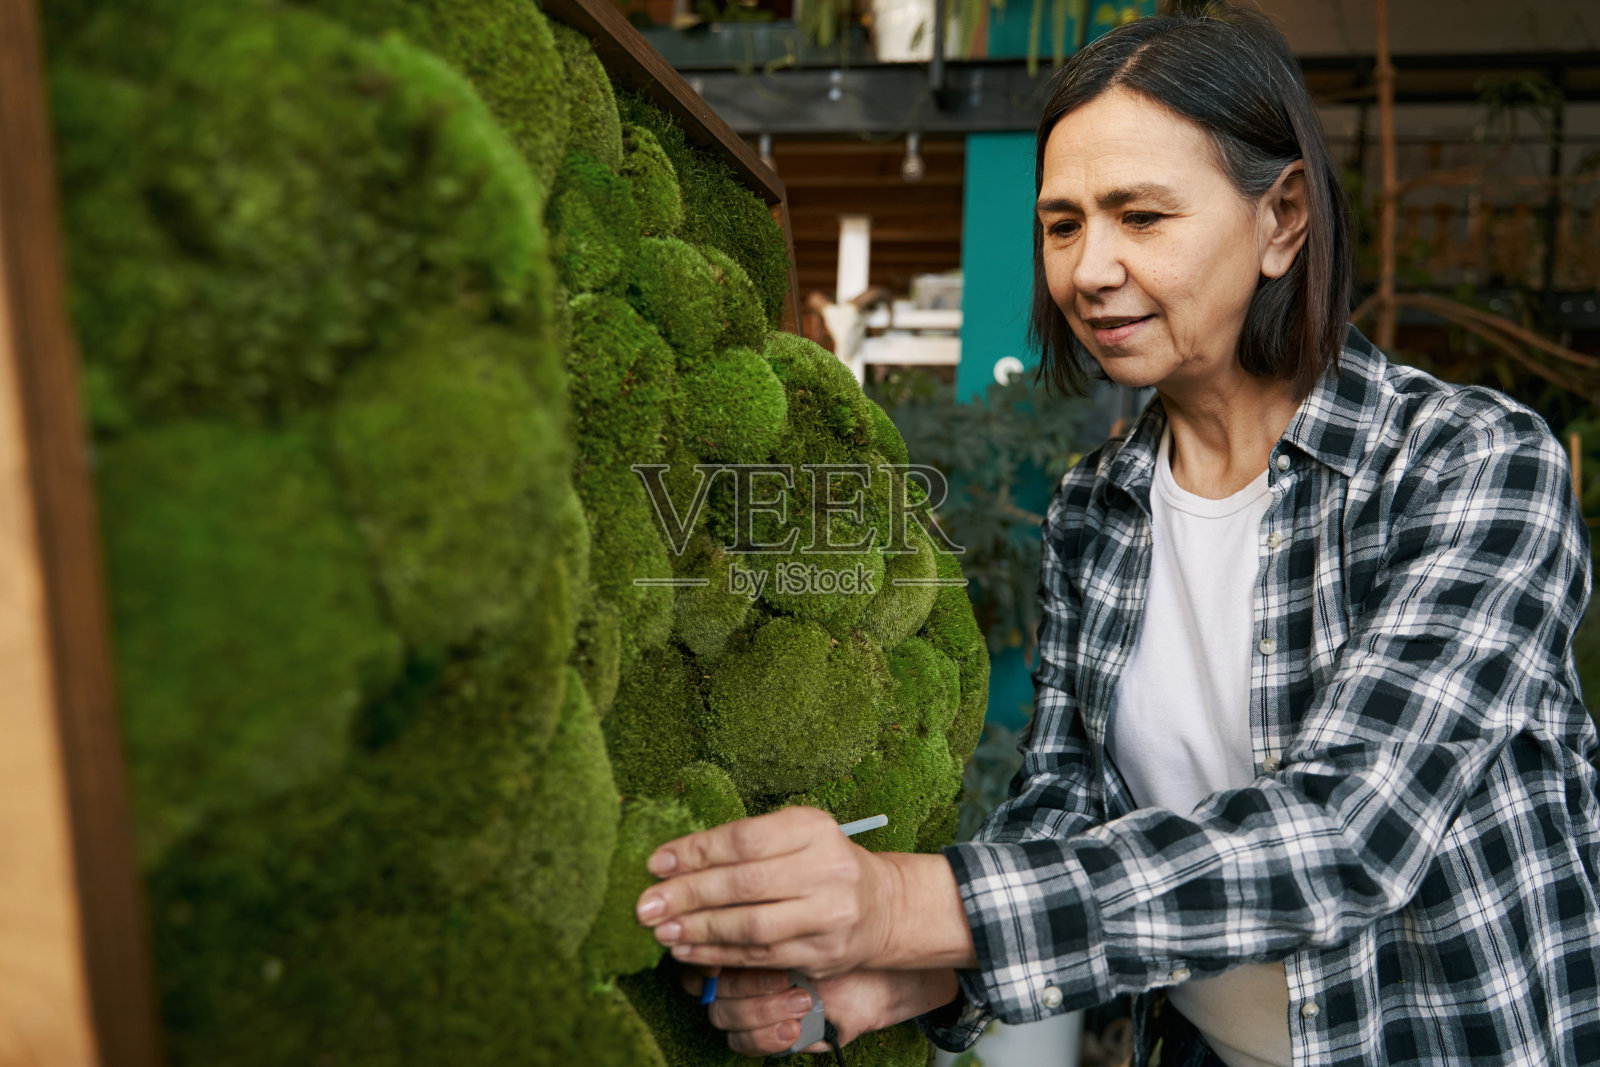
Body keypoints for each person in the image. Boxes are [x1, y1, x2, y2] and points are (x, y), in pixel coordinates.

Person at [630, 6, 1600, 1064]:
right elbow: (1067, 802)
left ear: (1282, 219)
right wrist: (908, 973)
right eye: (1062, 225)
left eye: (1140, 216)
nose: (1088, 269)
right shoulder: (1097, 505)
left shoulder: (1468, 464)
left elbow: (1347, 834)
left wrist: (900, 903)